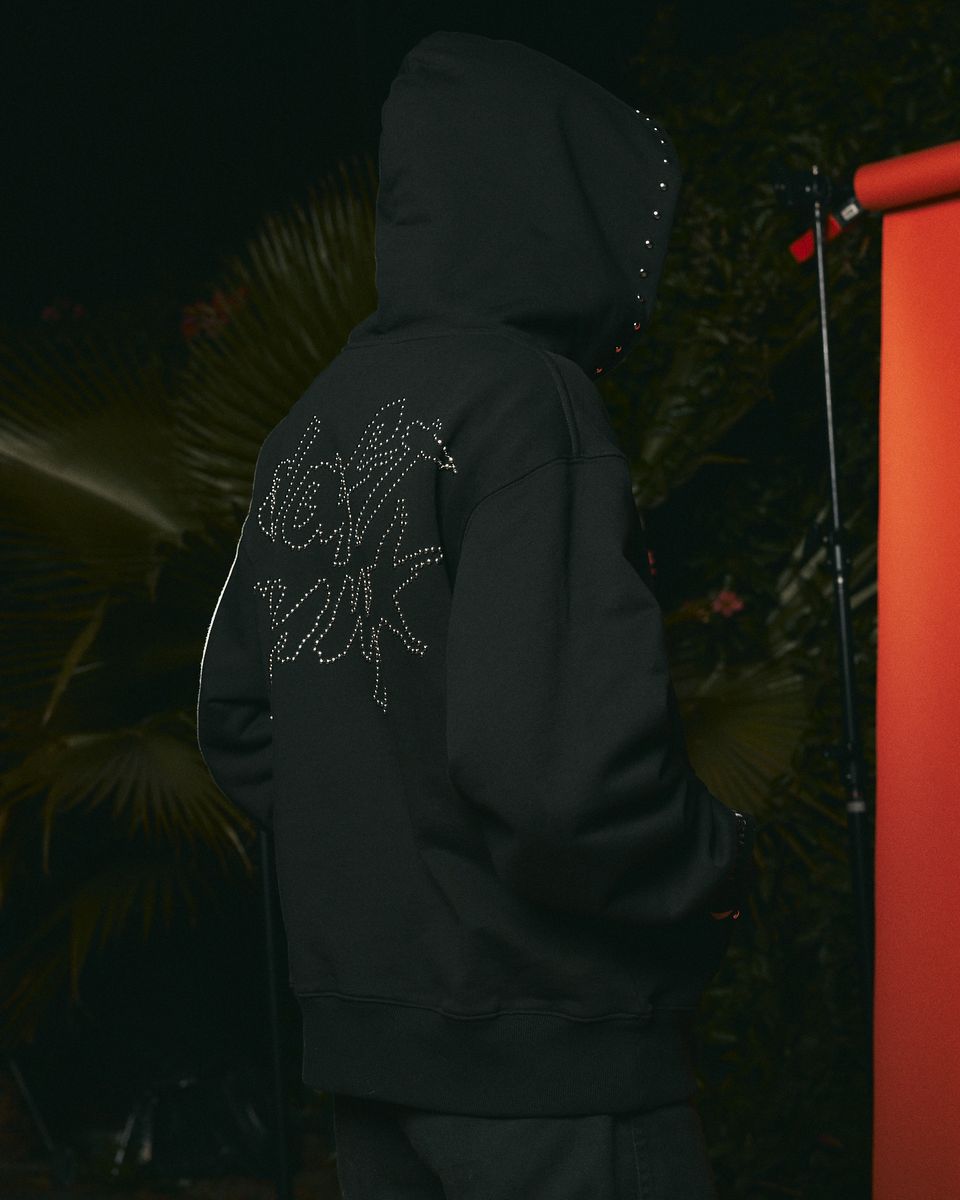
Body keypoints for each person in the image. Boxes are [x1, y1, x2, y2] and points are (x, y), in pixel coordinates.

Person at [196, 28, 757, 1200]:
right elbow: (564, 784)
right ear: (554, 198)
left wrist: (389, 867)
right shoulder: (528, 403)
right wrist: (717, 868)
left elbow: (237, 716)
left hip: (370, 1048)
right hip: (553, 1056)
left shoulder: (311, 422)